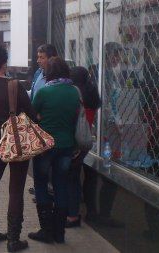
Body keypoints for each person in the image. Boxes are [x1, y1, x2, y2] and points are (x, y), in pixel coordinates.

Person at [0, 43, 36, 252]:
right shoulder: (14, 86)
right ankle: (13, 239)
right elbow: (30, 114)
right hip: (16, 145)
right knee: (15, 190)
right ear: (4, 62)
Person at [29, 57, 79, 244]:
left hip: (45, 147)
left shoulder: (43, 92)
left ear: (49, 73)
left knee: (41, 184)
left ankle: (46, 231)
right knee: (61, 185)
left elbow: (32, 117)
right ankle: (60, 233)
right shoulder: (74, 92)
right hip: (66, 146)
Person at [65, 66, 101, 228]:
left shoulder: (74, 94)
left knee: (72, 176)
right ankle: (89, 210)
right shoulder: (92, 93)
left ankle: (73, 211)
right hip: (88, 139)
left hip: (76, 140)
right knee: (85, 177)